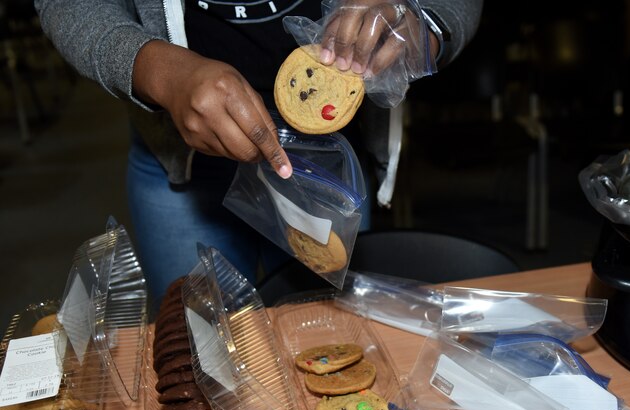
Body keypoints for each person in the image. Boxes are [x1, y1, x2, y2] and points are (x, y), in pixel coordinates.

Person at [33, 0, 484, 309]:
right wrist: (155, 68)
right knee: (197, 356)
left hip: (329, 166)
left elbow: (448, 9)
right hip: (180, 174)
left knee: (330, 338)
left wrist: (425, 23)